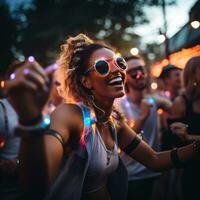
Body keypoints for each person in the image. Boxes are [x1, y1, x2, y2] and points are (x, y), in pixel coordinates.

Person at [9, 34, 200, 200]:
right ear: (85, 81)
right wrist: (30, 121)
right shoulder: (71, 115)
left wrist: (196, 146)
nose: (117, 70)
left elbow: (154, 159)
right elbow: (34, 185)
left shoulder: (113, 122)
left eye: (119, 63)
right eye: (102, 67)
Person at [0, 59, 51, 200]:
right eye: (19, 77)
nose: (25, 83)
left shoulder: (43, 109)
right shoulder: (1, 109)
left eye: (30, 77)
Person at [116, 55, 166, 200]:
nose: (140, 75)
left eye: (142, 70)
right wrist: (143, 117)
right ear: (125, 78)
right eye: (133, 73)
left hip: (156, 172)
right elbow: (124, 140)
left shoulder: (153, 100)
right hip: (132, 176)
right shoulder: (119, 105)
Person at [169, 56, 200, 200]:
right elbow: (174, 142)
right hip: (193, 168)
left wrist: (190, 137)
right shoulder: (181, 102)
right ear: (193, 74)